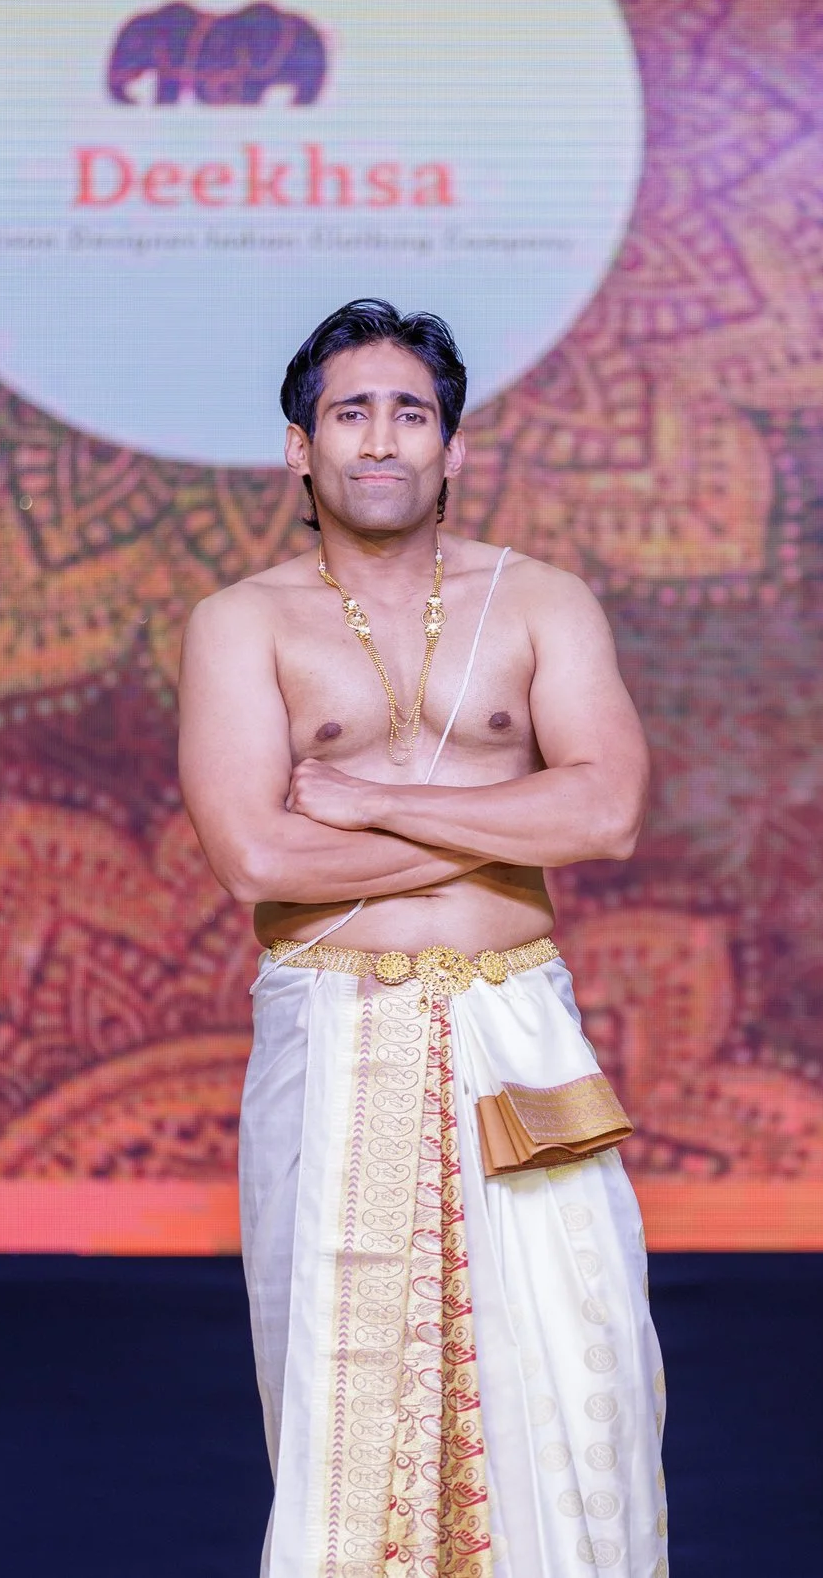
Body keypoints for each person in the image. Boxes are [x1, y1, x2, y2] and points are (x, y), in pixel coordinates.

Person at [179, 299, 667, 1578]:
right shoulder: (242, 622)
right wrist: (510, 824)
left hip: (519, 1025)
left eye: (411, 412)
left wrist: (375, 800)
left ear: (452, 447)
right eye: (351, 412)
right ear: (301, 448)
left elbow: (607, 812)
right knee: (348, 1408)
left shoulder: (541, 601)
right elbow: (260, 857)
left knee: (578, 1388)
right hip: (333, 1027)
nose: (381, 437)